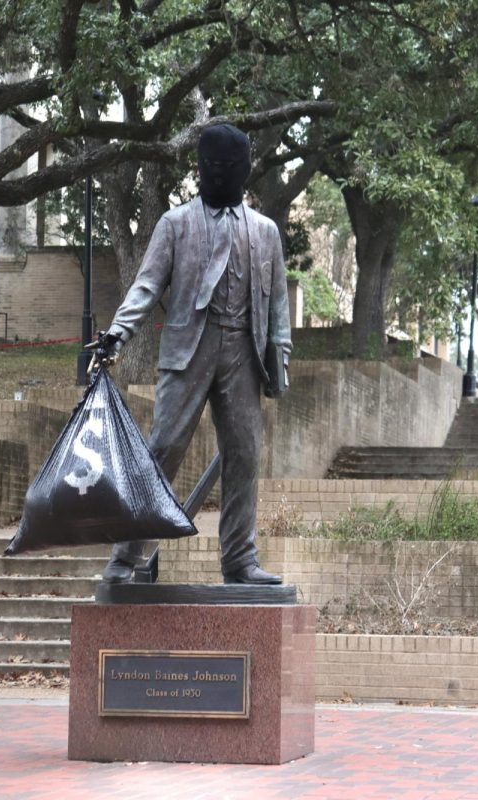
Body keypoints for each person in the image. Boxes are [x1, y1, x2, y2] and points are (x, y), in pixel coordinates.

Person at [89, 123, 291, 586]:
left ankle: (240, 559)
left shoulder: (266, 233)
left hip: (244, 351)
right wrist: (118, 332)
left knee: (244, 455)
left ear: (244, 171)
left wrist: (280, 359)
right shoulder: (175, 224)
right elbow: (146, 284)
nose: (220, 174)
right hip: (187, 350)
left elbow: (278, 306)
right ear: (200, 169)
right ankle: (126, 554)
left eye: (230, 168)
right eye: (212, 167)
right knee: (163, 448)